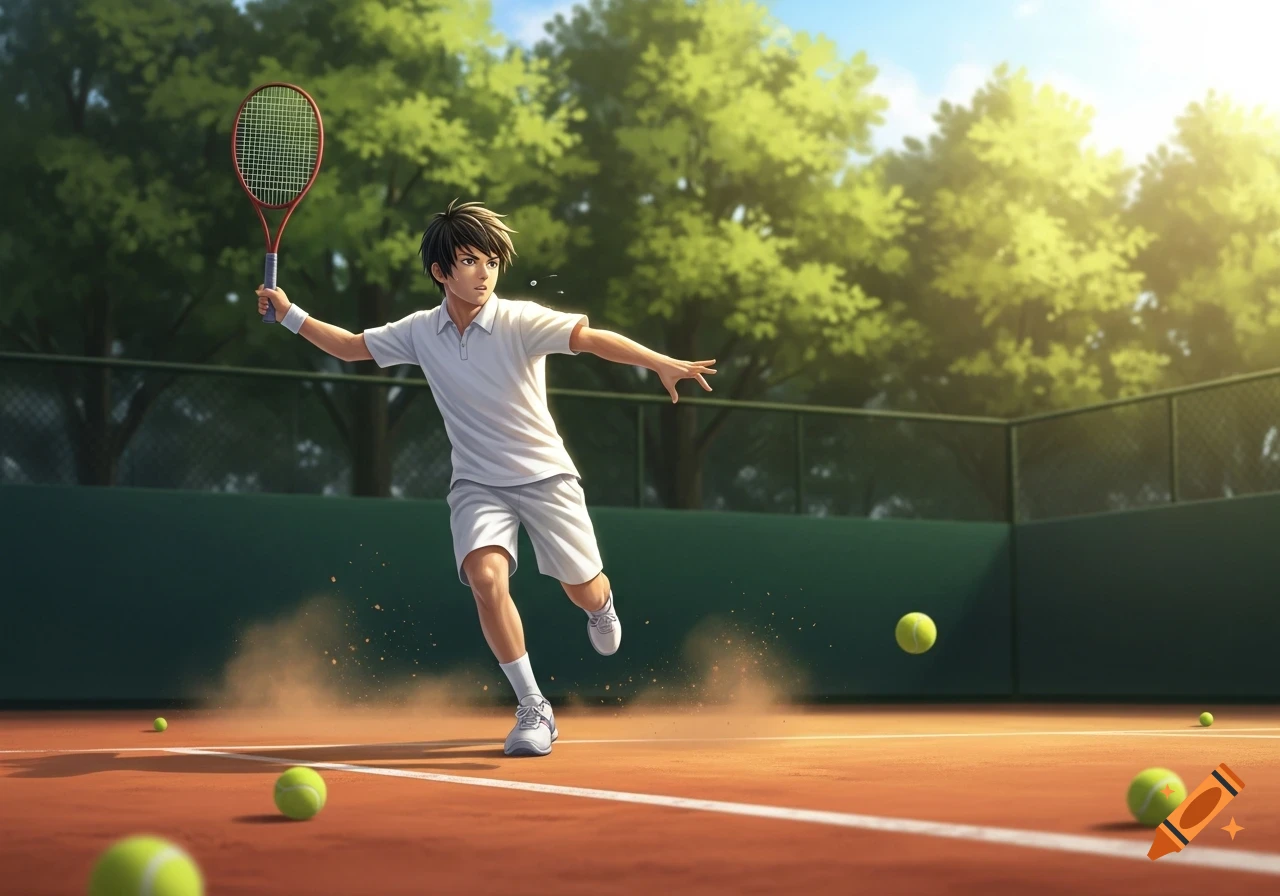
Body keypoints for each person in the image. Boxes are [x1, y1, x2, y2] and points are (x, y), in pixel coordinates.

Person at [255, 199, 716, 756]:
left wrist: (661, 362)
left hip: (546, 477)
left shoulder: (521, 319)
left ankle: (601, 604)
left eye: (492, 261)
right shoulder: (421, 331)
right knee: (486, 580)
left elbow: (592, 339)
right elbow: (352, 348)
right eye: (470, 261)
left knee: (581, 589)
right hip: (477, 484)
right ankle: (532, 706)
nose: (484, 273)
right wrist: (288, 313)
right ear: (441, 272)